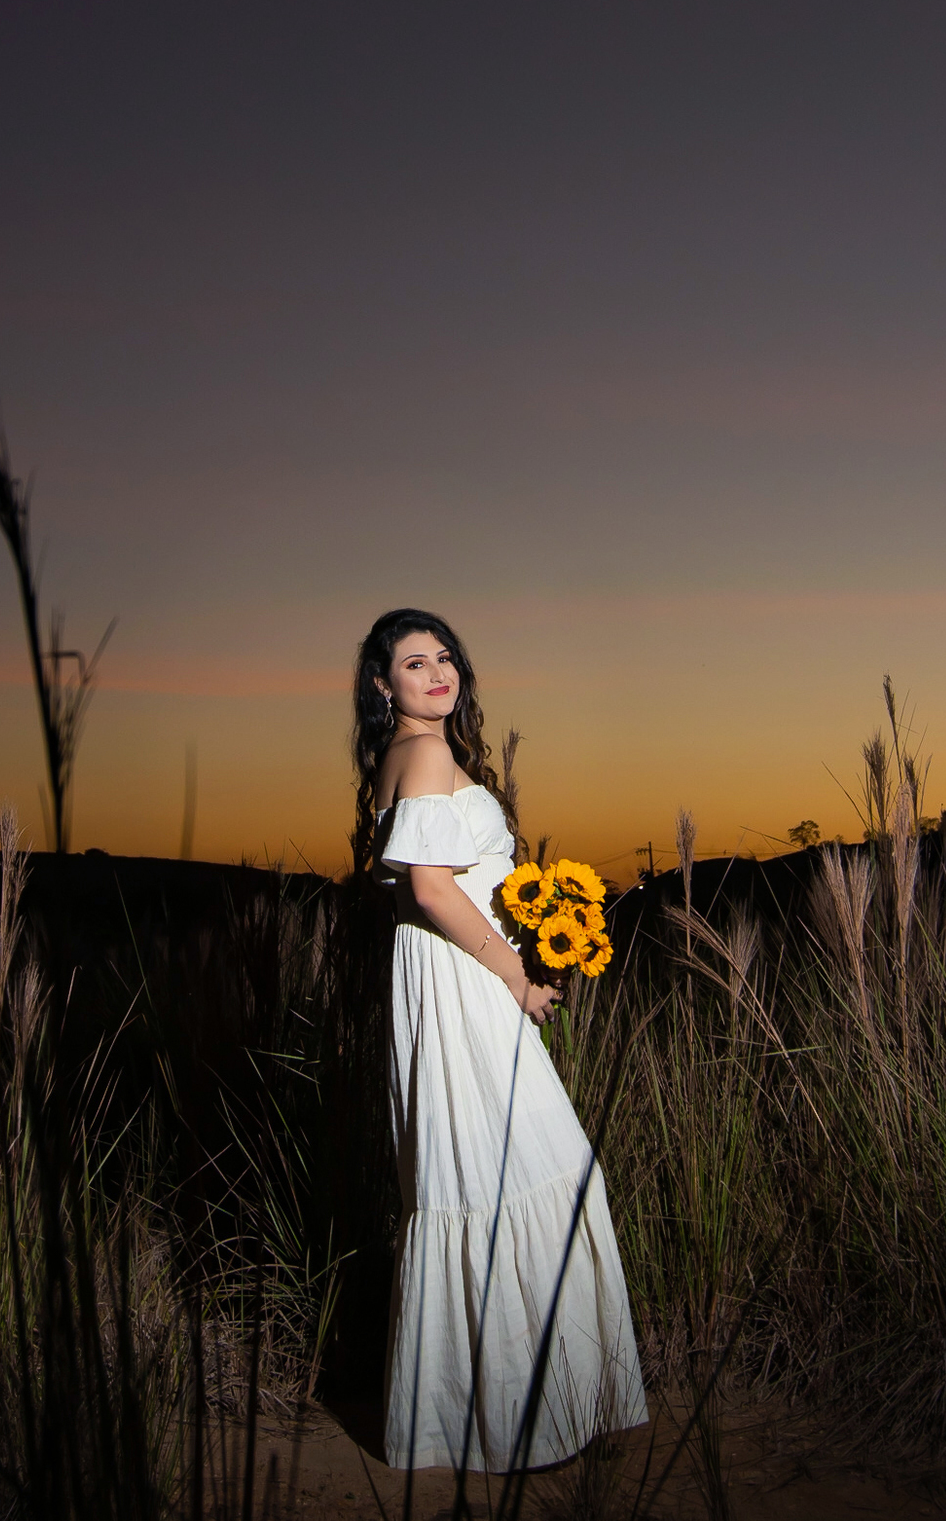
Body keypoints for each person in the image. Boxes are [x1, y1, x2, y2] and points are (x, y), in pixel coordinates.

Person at [352, 607, 648, 1473]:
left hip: (443, 972)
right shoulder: (425, 753)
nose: (437, 673)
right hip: (462, 980)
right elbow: (433, 889)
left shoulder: (403, 756)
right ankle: (529, 1421)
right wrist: (517, 975)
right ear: (383, 685)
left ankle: (496, 1416)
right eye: (414, 663)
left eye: (444, 656)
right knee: (524, 1172)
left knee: (486, 1174)